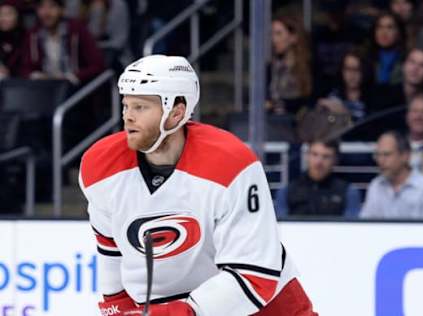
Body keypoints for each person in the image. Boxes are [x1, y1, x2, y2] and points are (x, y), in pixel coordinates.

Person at [79, 55, 318, 316]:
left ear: (177, 111)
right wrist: (118, 310)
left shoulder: (231, 164)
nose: (128, 117)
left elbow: (254, 277)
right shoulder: (100, 165)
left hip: (263, 309)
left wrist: (175, 314)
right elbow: (111, 250)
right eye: (126, 105)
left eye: (141, 107)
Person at [360, 130, 423, 219]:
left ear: (405, 156)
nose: (380, 161)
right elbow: (366, 226)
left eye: (386, 155)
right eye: (378, 155)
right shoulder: (376, 186)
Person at [20, 0, 105, 85]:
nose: (46, 12)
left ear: (62, 10)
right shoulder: (33, 34)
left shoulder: (77, 30)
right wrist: (37, 76)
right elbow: (24, 67)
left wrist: (71, 76)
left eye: (52, 6)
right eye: (41, 7)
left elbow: (97, 65)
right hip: (43, 88)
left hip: (76, 89)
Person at [275, 139, 361, 218]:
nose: (319, 162)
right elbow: (280, 226)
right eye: (315, 154)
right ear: (307, 156)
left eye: (326, 156)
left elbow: (352, 229)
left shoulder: (348, 192)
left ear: (335, 160)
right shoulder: (287, 191)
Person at [268, 14, 312, 116]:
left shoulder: (308, 67)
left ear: (293, 37)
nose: (274, 40)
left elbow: (308, 101)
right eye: (272, 34)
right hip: (273, 121)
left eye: (278, 34)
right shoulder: (271, 67)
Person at [366, 12, 406, 85]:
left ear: (399, 33)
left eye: (390, 27)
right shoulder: (365, 57)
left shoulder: (407, 59)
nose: (383, 32)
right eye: (379, 27)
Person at [0, 0, 25, 78]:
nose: (3, 18)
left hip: (19, 81)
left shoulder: (27, 37)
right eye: (0, 14)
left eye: (8, 14)